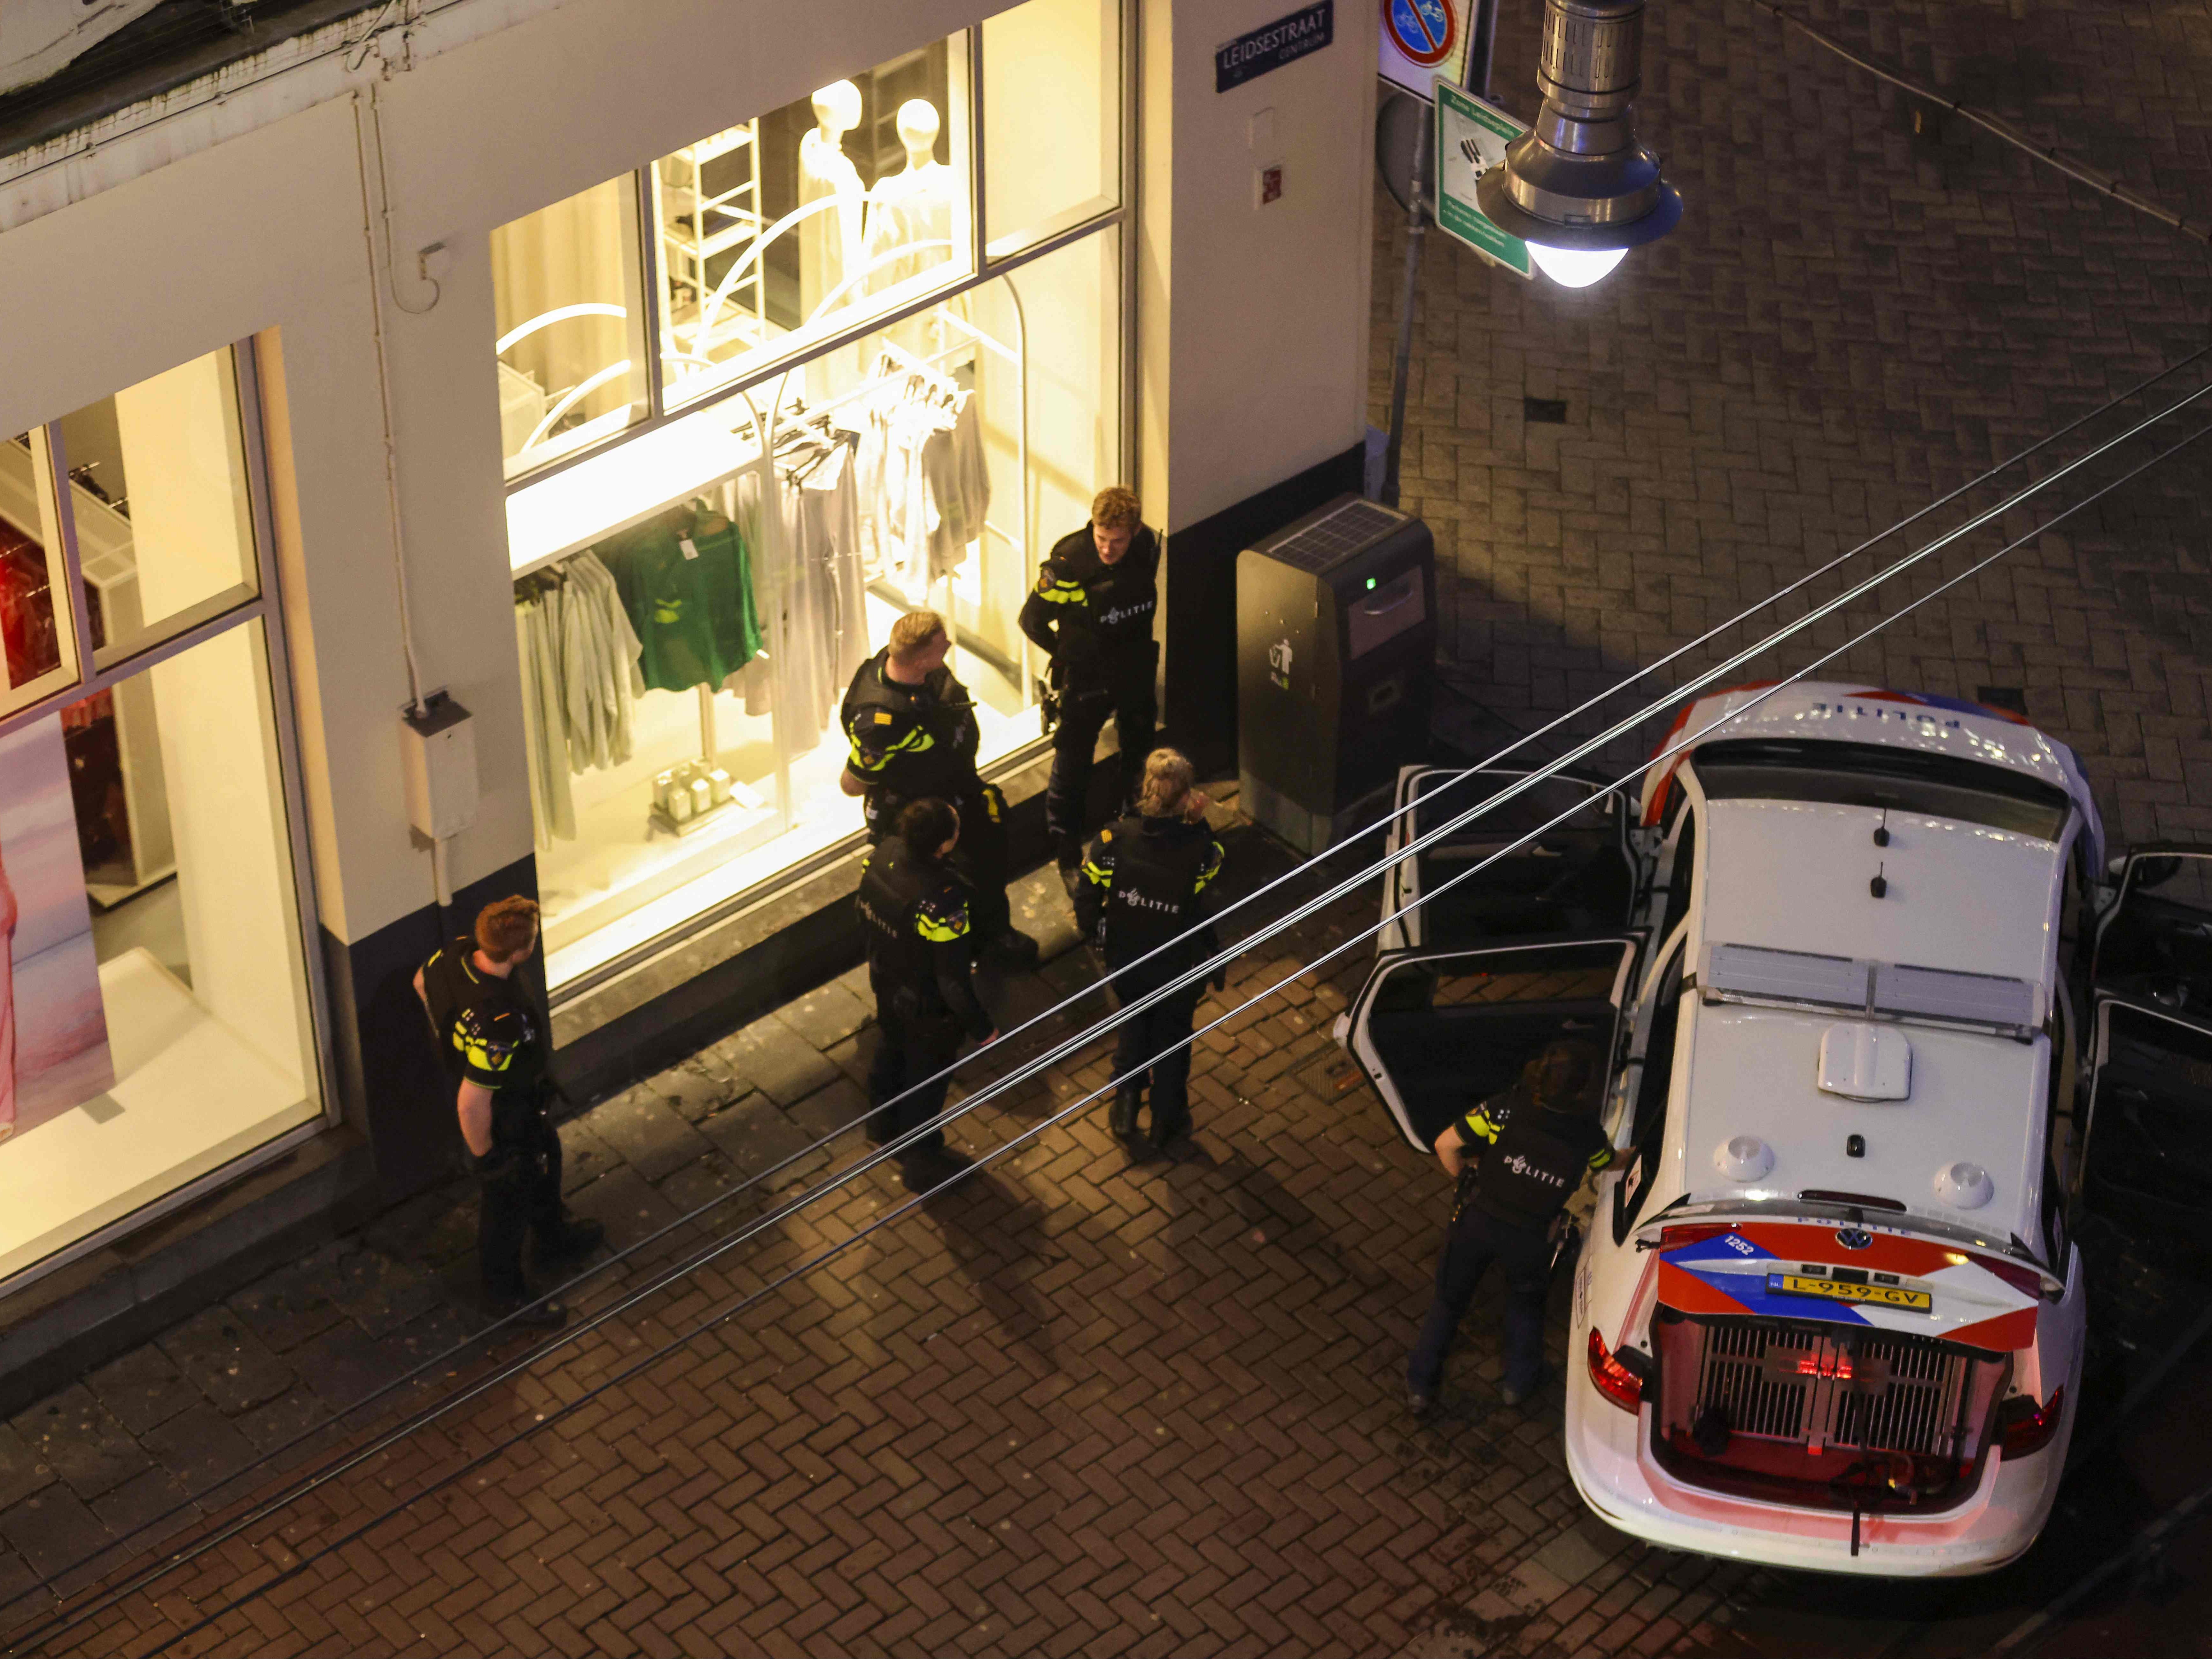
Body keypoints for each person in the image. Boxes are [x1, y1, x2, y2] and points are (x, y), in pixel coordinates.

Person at [414, 897, 604, 1327]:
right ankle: (505, 1294)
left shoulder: (453, 954)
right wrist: (488, 1157)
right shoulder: (499, 1021)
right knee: (507, 1200)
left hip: (522, 1104)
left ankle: (554, 1236)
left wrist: (449, 1038)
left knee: (546, 1158)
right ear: (524, 949)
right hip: (506, 1112)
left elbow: (420, 983)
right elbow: (472, 1100)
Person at [1406, 1039, 1613, 1414]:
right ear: (1583, 1089)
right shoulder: (1588, 1136)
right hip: (1531, 1238)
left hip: (1477, 1223)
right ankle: (1518, 1384)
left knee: (1448, 1303)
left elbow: (1444, 1145)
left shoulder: (1503, 1109)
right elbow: (1606, 1165)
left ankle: (1421, 1387)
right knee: (1525, 1306)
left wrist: (1467, 1176)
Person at [841, 609, 1037, 966]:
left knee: (989, 862)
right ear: (918, 660)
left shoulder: (918, 674)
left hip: (958, 790)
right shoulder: (879, 721)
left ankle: (993, 933)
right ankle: (964, 955)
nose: (948, 644)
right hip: (923, 814)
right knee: (949, 884)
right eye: (940, 645)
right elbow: (852, 784)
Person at [1074, 748, 1225, 1149]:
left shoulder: (1112, 840)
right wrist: (1199, 824)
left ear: (1145, 789)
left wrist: (1097, 934)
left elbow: (1087, 896)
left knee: (1134, 1027)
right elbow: (1203, 893)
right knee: (1173, 1042)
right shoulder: (1202, 850)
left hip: (1127, 959)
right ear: (1188, 797)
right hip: (1177, 965)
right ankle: (1167, 1122)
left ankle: (1125, 1112)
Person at [1018, 487, 1161, 887]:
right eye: (1101, 538)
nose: (1108, 549)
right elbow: (1031, 621)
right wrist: (1063, 656)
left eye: (1117, 541)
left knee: (1138, 750)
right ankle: (1066, 851)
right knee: (1072, 764)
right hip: (1086, 678)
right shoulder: (1068, 563)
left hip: (1133, 666)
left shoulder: (1146, 545)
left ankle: (1134, 831)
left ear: (1133, 532)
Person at [855, 798, 998, 1190]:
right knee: (926, 1078)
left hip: (885, 980)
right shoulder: (944, 899)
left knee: (890, 1048)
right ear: (944, 845)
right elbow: (951, 977)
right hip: (926, 1004)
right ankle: (920, 1162)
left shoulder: (880, 856)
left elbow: (863, 917)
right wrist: (982, 1027)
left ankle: (882, 1127)